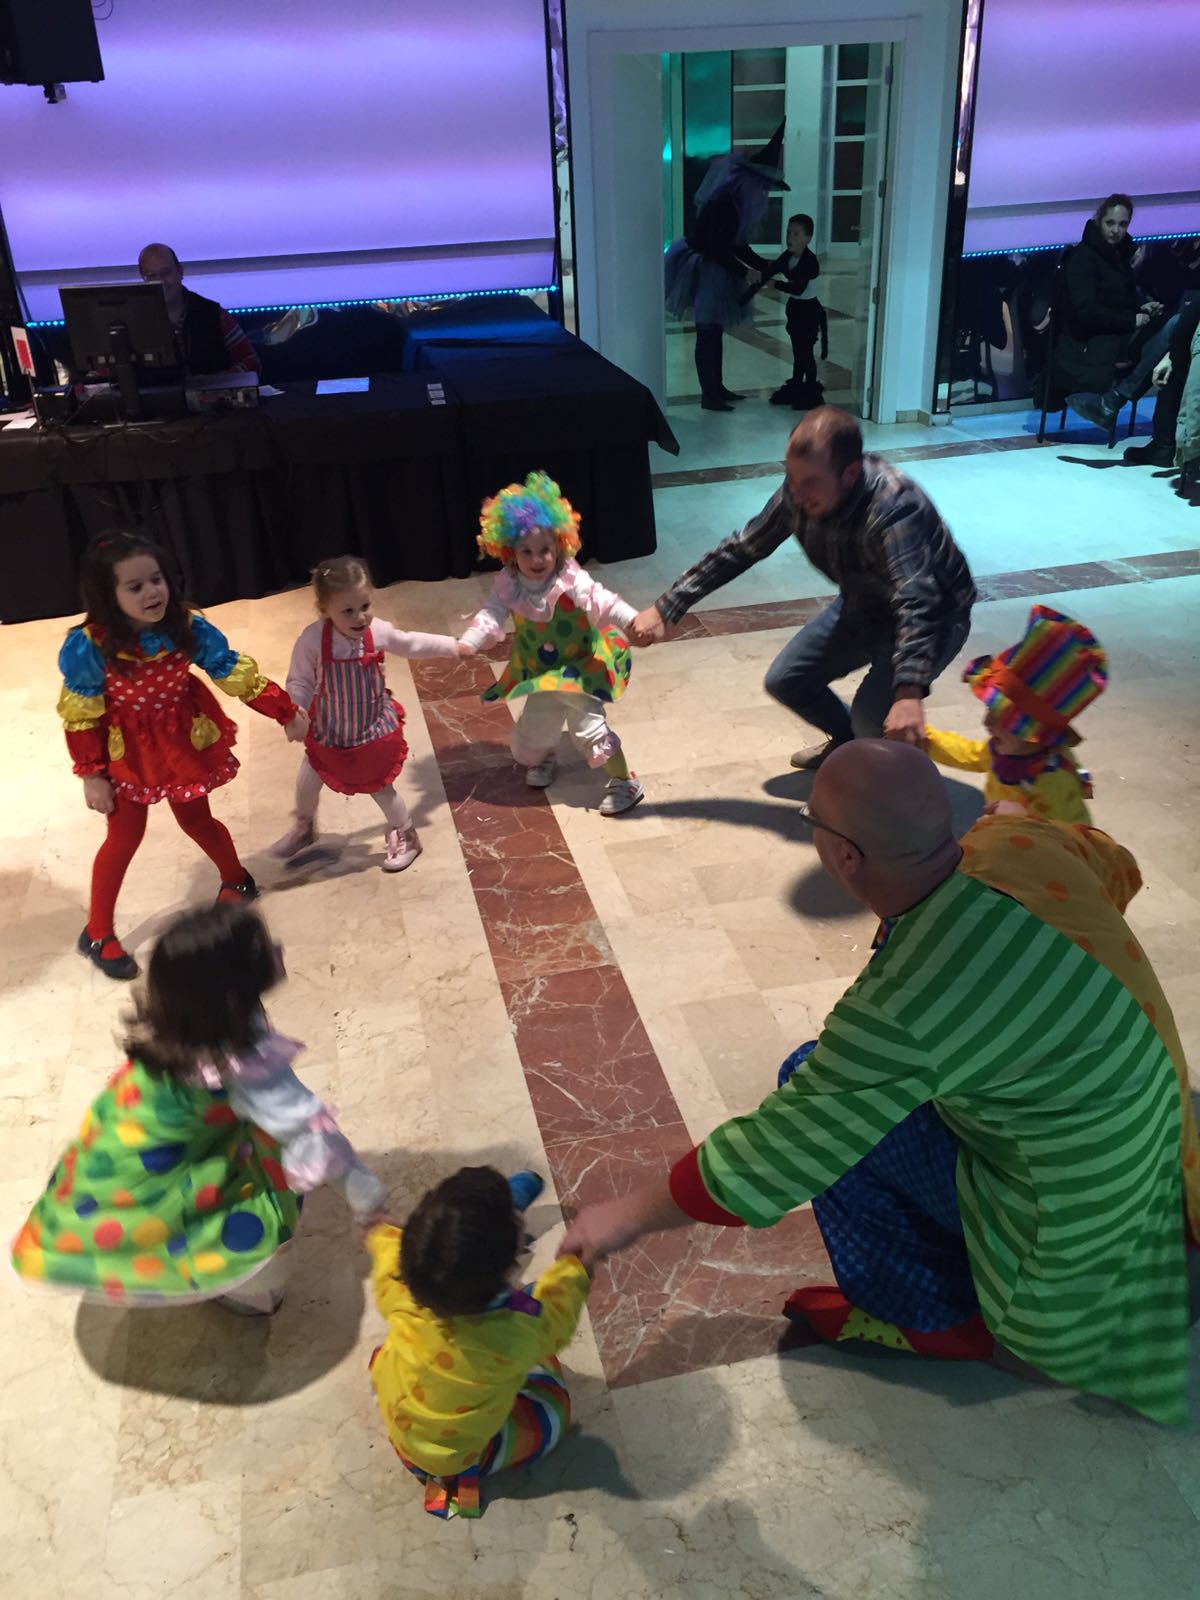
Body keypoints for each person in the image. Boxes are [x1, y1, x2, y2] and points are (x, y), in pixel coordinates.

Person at [560, 740, 1199, 1425]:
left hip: (1074, 1217)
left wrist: (621, 1217)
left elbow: (773, 1156)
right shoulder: (1022, 842)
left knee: (814, 1085)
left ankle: (938, 1316)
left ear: (845, 856)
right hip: (1162, 1146)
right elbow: (1116, 867)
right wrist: (1030, 843)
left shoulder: (906, 1004)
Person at [11, 902, 386, 1316]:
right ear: (236, 989)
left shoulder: (182, 1021)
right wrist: (368, 1200)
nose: (276, 950)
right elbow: (310, 1131)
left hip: (131, 1143)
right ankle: (250, 1292)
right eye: (261, 950)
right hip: (164, 1176)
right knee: (260, 1242)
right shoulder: (241, 1066)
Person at [630, 407, 976, 770]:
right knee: (786, 680)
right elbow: (741, 548)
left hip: (937, 617)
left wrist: (908, 692)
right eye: (791, 477)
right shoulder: (798, 493)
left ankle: (897, 788)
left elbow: (917, 600)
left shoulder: (894, 505)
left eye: (810, 481)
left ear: (850, 473)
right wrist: (667, 607)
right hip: (863, 602)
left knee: (871, 720)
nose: (795, 492)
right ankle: (848, 746)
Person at [58, 532, 306, 981]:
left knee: (196, 819)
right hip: (126, 750)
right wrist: (91, 774)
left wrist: (283, 710)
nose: (152, 592)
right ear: (107, 595)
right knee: (123, 837)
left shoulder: (187, 628)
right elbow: (81, 713)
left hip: (180, 741)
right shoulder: (90, 645)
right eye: (134, 586)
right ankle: (97, 932)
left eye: (156, 579)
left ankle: (237, 878)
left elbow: (230, 670)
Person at [367, 1166, 590, 1519]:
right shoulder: (518, 1333)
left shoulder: (397, 1278)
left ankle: (498, 1214)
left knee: (388, 1352)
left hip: (403, 1430)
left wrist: (380, 1227)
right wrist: (577, 1265)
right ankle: (500, 1215)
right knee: (554, 1407)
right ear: (509, 1262)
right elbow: (558, 1316)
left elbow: (385, 1239)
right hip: (460, 1458)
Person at [457, 471, 644, 816]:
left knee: (590, 730)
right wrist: (471, 639)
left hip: (578, 669)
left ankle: (624, 782)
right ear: (509, 551)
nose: (536, 559)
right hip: (539, 672)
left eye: (545, 550)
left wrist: (632, 619)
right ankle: (546, 757)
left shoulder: (569, 577)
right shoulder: (509, 582)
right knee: (533, 730)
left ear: (560, 543)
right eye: (526, 551)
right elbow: (493, 611)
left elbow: (600, 598)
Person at [273, 556, 468, 873]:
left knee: (380, 788)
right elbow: (300, 681)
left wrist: (452, 646)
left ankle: (407, 834)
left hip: (370, 732)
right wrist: (298, 710)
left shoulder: (376, 632)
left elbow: (410, 643)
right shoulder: (312, 640)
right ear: (324, 609)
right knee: (307, 778)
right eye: (348, 611)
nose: (360, 617)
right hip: (330, 729)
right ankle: (305, 826)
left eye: (365, 606)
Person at [925, 605, 1107, 823]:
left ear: (1035, 732)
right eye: (990, 710)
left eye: (1003, 717)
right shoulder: (1006, 751)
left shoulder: (1052, 782)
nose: (986, 722)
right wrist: (926, 739)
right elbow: (971, 755)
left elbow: (1059, 838)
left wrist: (1019, 821)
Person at [663, 123, 788, 412]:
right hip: (705, 267)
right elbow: (717, 247)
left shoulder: (735, 202)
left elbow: (737, 244)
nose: (764, 191)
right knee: (707, 333)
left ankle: (717, 388)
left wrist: (762, 264)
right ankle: (709, 394)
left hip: (715, 265)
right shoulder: (725, 204)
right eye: (763, 185)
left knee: (714, 332)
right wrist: (746, 272)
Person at [1053, 195, 1173, 430]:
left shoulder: (1119, 255)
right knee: (1176, 330)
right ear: (1099, 220)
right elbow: (1085, 312)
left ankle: (1115, 400)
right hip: (1093, 343)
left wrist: (1140, 309)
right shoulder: (1083, 257)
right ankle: (1118, 398)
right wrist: (1131, 320)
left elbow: (1118, 301)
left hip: (1117, 335)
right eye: (1110, 223)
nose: (1116, 230)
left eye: (1122, 224)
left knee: (1177, 327)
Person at [137, 242, 261, 377]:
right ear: (143, 278)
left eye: (165, 273)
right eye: (151, 275)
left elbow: (251, 361)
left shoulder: (214, 314)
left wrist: (219, 382)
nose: (160, 281)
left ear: (180, 271)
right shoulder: (136, 320)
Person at [765, 212, 829, 409]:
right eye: (788, 233)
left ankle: (810, 389)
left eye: (795, 234)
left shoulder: (810, 261)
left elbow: (798, 288)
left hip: (809, 311)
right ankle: (796, 383)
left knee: (805, 352)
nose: (790, 238)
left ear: (808, 238)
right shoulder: (788, 256)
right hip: (795, 308)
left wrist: (774, 283)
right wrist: (759, 274)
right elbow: (774, 267)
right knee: (798, 350)